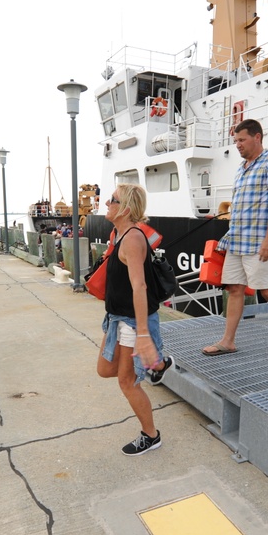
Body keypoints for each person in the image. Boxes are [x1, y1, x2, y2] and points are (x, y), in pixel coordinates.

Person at [202, 118, 268, 356]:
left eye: (242, 139)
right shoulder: (242, 168)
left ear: (257, 137)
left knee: (266, 289)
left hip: (259, 240)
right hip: (237, 240)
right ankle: (228, 341)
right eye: (235, 140)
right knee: (234, 289)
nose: (237, 145)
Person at [96, 183, 172, 456]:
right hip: (116, 317)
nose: (107, 203)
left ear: (126, 208)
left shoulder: (132, 239)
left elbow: (140, 288)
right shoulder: (119, 233)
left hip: (130, 322)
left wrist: (142, 334)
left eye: (112, 200)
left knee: (127, 382)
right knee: (105, 369)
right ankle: (158, 362)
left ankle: (151, 436)